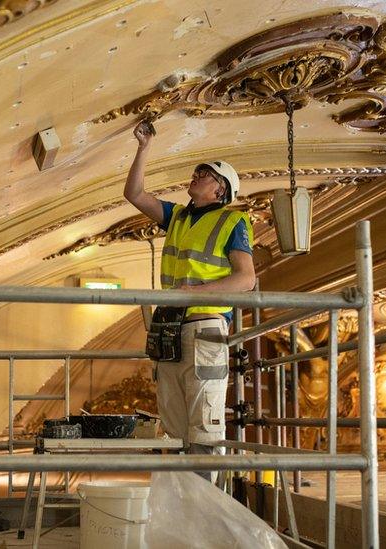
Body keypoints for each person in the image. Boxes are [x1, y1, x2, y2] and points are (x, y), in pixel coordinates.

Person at [124, 121, 255, 470]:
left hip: (204, 329)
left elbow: (246, 280)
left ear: (221, 191)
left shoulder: (232, 221)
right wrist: (144, 147)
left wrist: (193, 291)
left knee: (205, 431)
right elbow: (135, 194)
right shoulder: (178, 217)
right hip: (170, 332)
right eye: (197, 170)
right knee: (175, 431)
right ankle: (181, 515)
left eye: (206, 174)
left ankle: (207, 516)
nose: (196, 175)